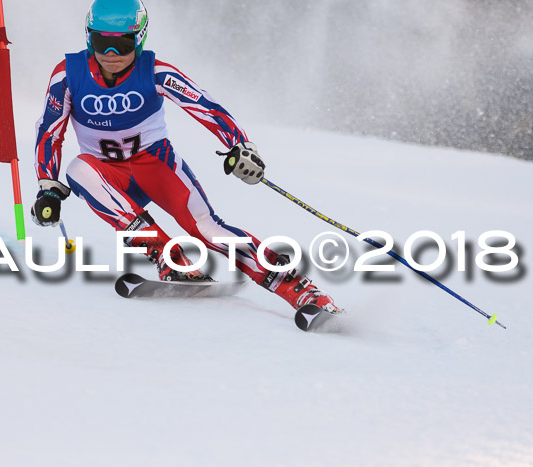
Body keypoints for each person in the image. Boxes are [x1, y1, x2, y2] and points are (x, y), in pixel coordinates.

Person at [32, 0, 338, 313]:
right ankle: (171, 259)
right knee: (78, 168)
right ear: (88, 38)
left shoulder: (154, 71)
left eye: (123, 44)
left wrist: (240, 145)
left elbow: (206, 106)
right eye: (102, 44)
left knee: (206, 229)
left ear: (140, 38)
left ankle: (300, 290)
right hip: (107, 175)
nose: (112, 55)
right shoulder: (68, 75)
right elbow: (49, 132)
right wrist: (47, 188)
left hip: (155, 165)